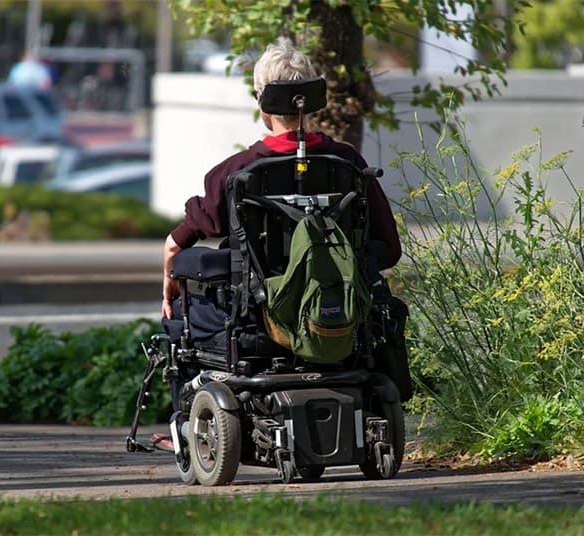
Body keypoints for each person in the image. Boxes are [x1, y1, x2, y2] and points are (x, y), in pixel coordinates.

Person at [152, 37, 402, 451]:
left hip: (258, 320)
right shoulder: (349, 166)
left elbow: (176, 246)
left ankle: (183, 426)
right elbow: (388, 250)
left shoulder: (236, 172)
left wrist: (169, 278)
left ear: (262, 102)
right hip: (337, 316)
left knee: (181, 309)